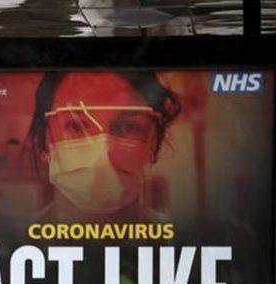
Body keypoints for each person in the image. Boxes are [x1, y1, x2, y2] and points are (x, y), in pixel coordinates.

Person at [27, 71, 181, 221]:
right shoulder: (16, 240)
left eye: (128, 127)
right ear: (44, 140)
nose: (102, 154)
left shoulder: (180, 239)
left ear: (154, 142)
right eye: (75, 126)